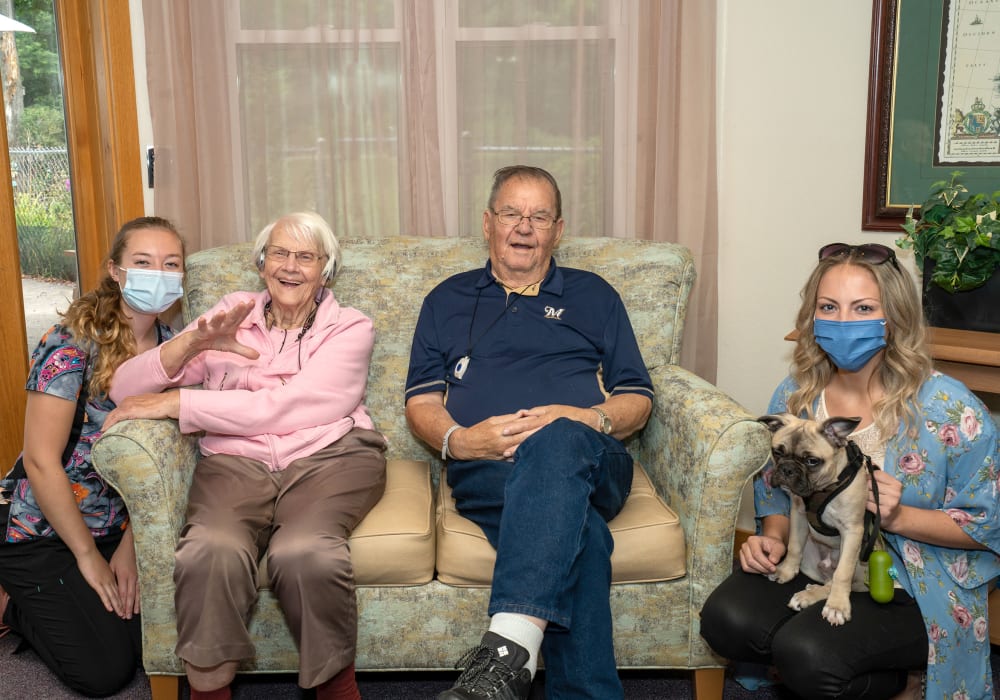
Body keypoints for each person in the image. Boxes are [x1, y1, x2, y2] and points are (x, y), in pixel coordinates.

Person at [699, 242, 1000, 700]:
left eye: (862, 308)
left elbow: (988, 525)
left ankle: (901, 680)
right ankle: (850, 669)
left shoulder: (949, 409)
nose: (843, 322)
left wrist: (898, 517)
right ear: (811, 316)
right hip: (819, 554)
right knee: (726, 618)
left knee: (809, 652)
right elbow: (777, 490)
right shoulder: (796, 395)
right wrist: (774, 537)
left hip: (913, 578)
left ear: (893, 317)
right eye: (828, 307)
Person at [106, 211, 386, 700]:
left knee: (305, 553)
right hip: (234, 461)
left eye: (307, 256)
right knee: (207, 550)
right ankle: (209, 692)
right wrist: (193, 342)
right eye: (279, 253)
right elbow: (123, 389)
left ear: (326, 269)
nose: (291, 266)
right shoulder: (232, 311)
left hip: (331, 457)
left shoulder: (351, 327)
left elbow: (288, 407)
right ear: (261, 263)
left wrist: (180, 402)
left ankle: (337, 690)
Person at [405, 165, 653, 700]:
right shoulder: (445, 300)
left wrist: (588, 417)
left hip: (590, 460)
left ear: (558, 230)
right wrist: (461, 441)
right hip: (487, 468)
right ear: (488, 223)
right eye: (512, 214)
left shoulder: (594, 295)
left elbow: (638, 395)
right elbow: (421, 401)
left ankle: (504, 656)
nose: (524, 227)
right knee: (581, 538)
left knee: (558, 437)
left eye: (538, 216)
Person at [0, 216, 186, 696]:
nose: (158, 274)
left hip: (116, 528)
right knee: (104, 673)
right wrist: (87, 557)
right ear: (115, 271)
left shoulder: (174, 350)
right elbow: (40, 460)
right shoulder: (71, 344)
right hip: (42, 527)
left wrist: (130, 547)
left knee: (151, 645)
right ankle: (8, 603)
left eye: (171, 264)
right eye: (143, 262)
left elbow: (156, 467)